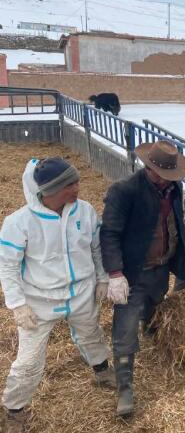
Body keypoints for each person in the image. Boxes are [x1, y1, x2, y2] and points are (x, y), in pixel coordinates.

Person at [0, 158, 113, 433]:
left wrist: (102, 277)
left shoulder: (84, 211)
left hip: (82, 291)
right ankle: (14, 408)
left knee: (90, 332)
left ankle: (101, 370)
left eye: (76, 181)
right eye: (70, 184)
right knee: (29, 359)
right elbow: (8, 265)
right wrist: (17, 304)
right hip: (39, 301)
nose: (77, 187)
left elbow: (97, 248)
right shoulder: (19, 223)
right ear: (51, 190)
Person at [100, 140, 185, 417]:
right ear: (150, 170)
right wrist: (115, 273)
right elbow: (110, 233)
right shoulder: (125, 191)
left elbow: (175, 222)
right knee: (125, 327)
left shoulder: (174, 188)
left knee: (155, 303)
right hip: (134, 271)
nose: (169, 181)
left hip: (161, 266)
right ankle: (125, 387)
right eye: (166, 175)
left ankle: (151, 331)